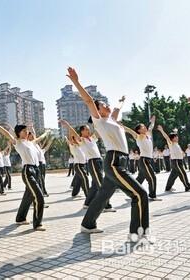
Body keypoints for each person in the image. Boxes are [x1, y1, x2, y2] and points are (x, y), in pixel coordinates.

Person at [66, 67, 150, 242]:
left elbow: (117, 109)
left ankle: (87, 224)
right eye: (103, 104)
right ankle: (138, 234)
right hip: (114, 162)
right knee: (140, 194)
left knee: (103, 195)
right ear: (98, 110)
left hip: (121, 161)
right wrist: (76, 81)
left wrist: (121, 101)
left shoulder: (112, 120)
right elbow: (89, 101)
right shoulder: (100, 121)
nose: (106, 104)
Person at [0, 117, 46, 231]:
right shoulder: (17, 142)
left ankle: (20, 218)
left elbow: (39, 138)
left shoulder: (31, 143)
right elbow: (5, 132)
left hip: (36, 170)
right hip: (28, 172)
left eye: (27, 130)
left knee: (28, 197)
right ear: (18, 133)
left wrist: (46, 133)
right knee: (39, 196)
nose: (26, 132)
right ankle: (37, 224)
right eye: (24, 131)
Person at [59, 120, 115, 211]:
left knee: (94, 186)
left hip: (99, 161)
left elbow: (98, 131)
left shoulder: (92, 138)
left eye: (89, 129)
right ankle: (106, 206)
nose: (89, 131)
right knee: (101, 184)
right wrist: (68, 125)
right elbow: (74, 134)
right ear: (82, 131)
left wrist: (98, 121)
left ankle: (87, 203)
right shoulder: (82, 140)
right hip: (93, 162)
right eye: (86, 130)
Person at [122, 117, 162, 201]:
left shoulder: (148, 135)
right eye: (143, 126)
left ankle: (131, 192)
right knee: (152, 177)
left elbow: (150, 128)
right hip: (144, 160)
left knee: (140, 178)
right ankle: (152, 195)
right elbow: (130, 131)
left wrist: (152, 122)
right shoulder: (139, 136)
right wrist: (121, 125)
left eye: (144, 126)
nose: (145, 127)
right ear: (139, 130)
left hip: (148, 160)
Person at [156, 125, 190, 193]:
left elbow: (179, 151)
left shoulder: (177, 144)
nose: (177, 137)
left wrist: (182, 153)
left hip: (179, 161)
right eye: (176, 137)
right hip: (175, 161)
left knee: (173, 176)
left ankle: (168, 188)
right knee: (183, 173)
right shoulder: (171, 143)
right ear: (172, 138)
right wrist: (161, 130)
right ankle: (188, 187)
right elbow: (167, 137)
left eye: (177, 136)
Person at [64, 135, 89, 202]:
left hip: (83, 165)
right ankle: (88, 195)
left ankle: (74, 193)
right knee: (85, 178)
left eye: (76, 139)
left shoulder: (80, 146)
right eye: (74, 139)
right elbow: (69, 142)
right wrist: (67, 139)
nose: (75, 140)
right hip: (78, 165)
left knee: (79, 180)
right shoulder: (72, 147)